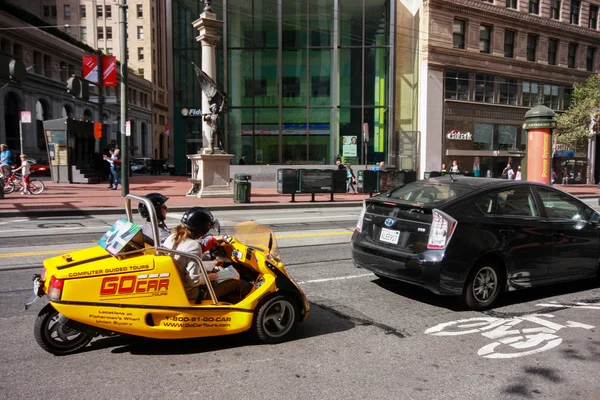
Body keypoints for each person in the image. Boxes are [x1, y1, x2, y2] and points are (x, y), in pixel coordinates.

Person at [163, 207, 239, 303]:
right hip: (191, 295)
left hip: (176, 289)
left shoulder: (172, 237)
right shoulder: (193, 246)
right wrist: (212, 276)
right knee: (236, 281)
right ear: (201, 229)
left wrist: (211, 264)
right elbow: (193, 281)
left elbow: (183, 264)